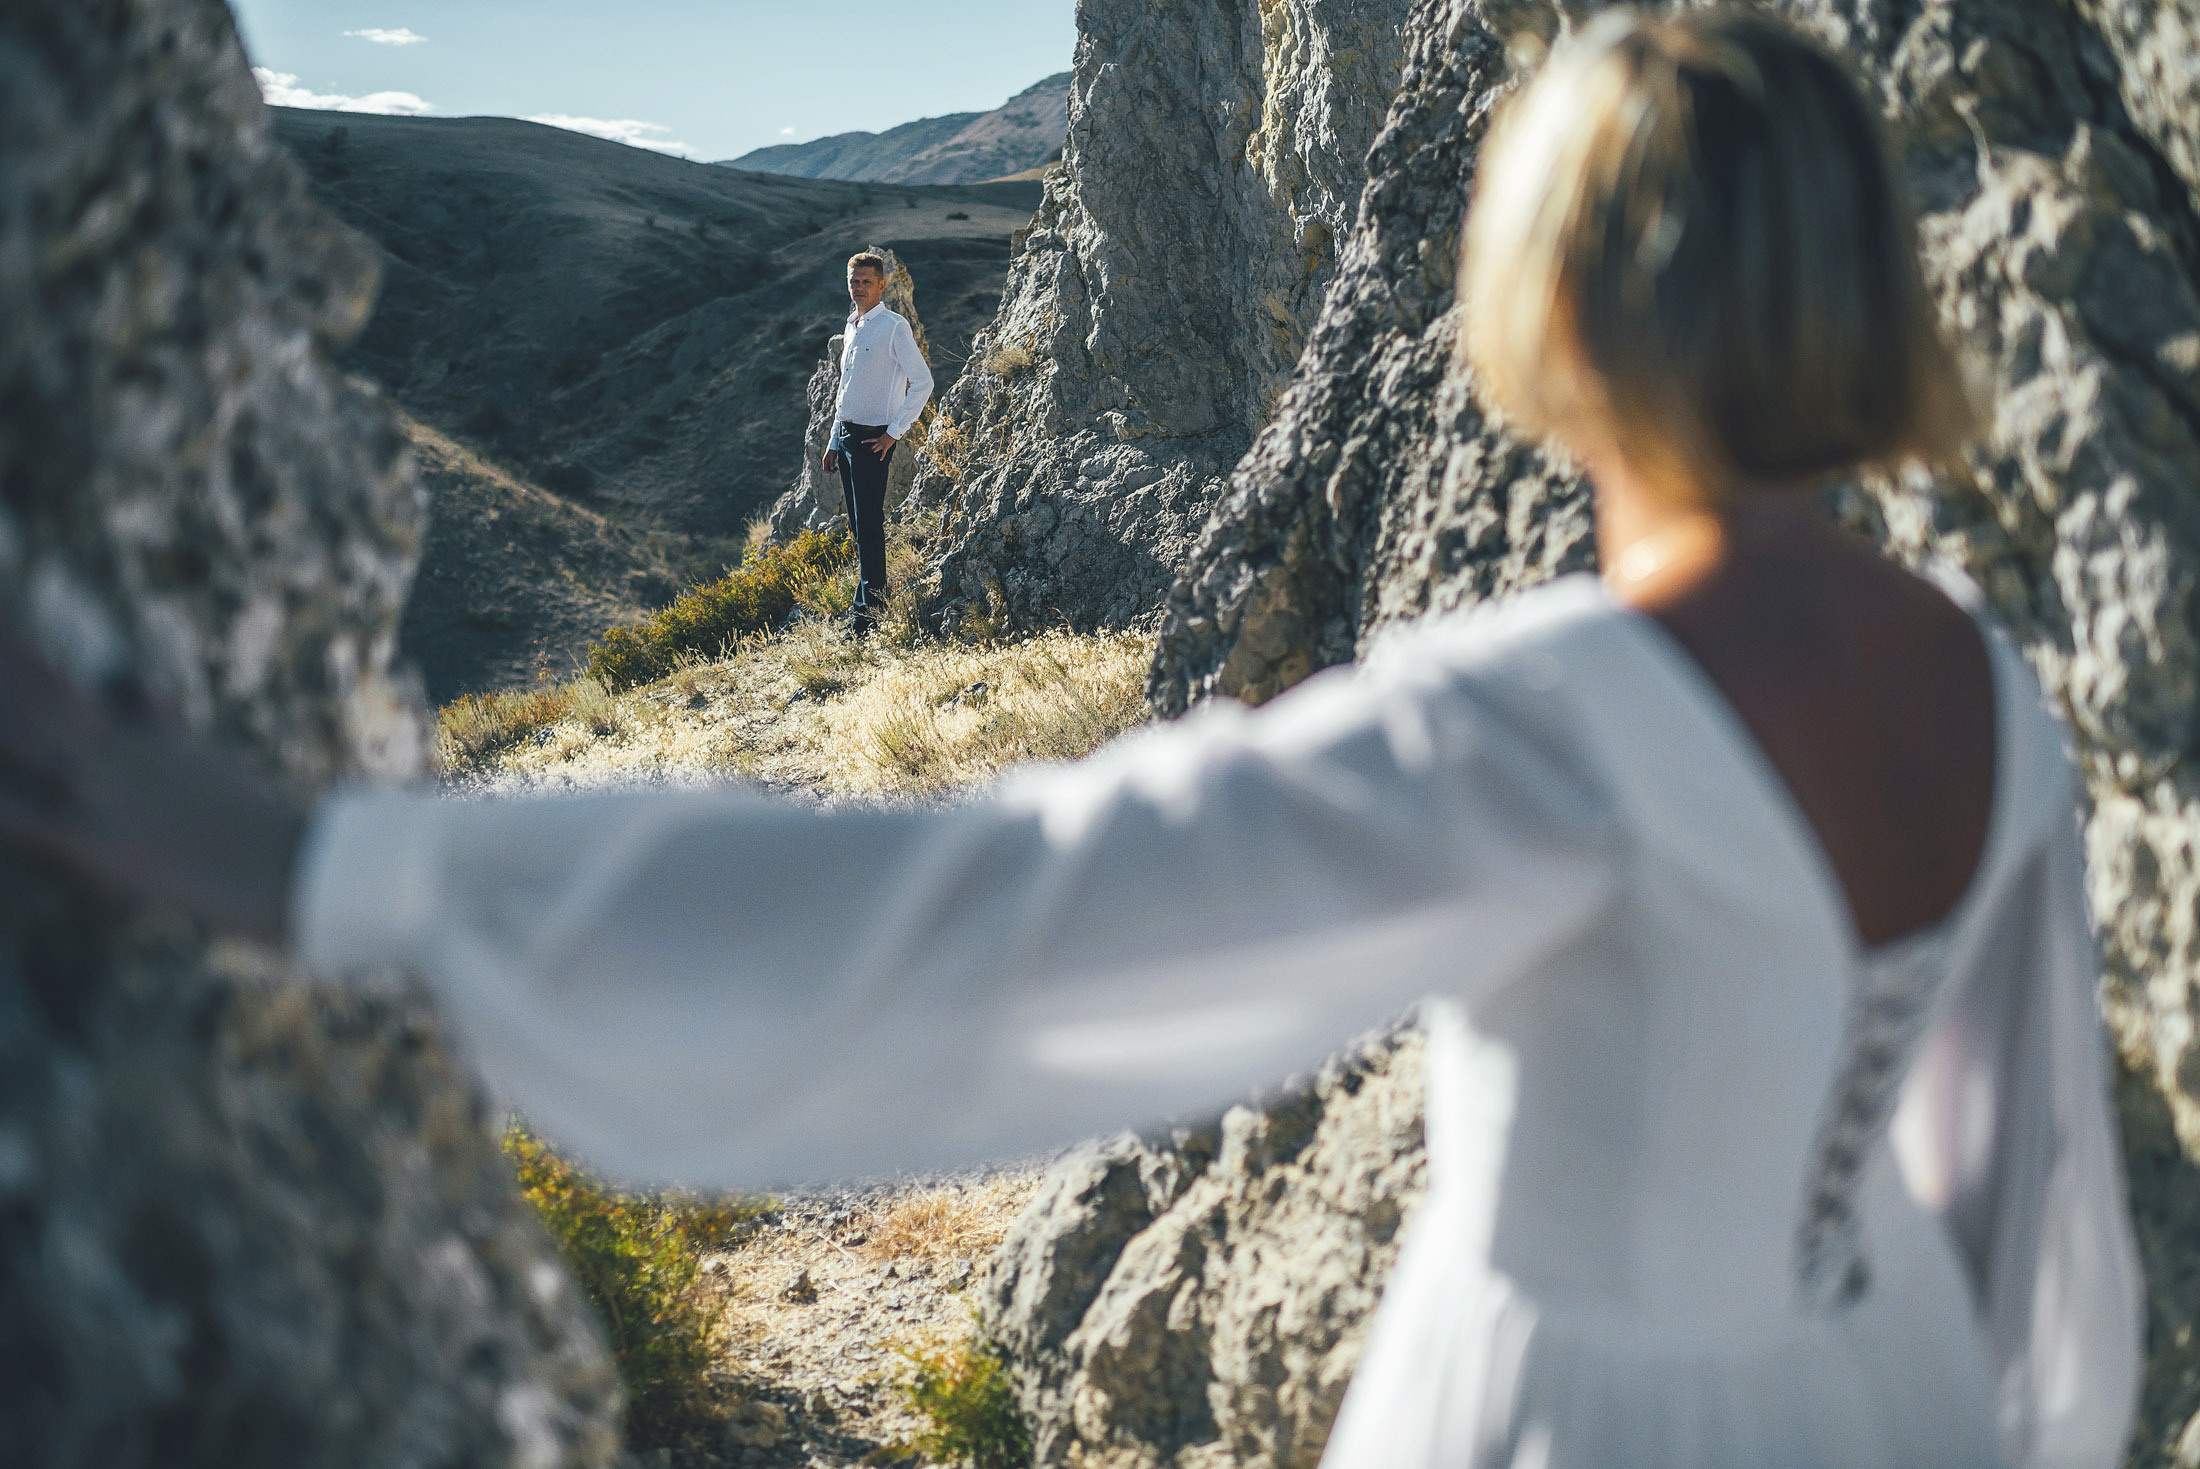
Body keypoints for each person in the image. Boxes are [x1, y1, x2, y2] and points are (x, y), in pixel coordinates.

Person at [0, 10, 2143, 1467]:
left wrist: (335, 863)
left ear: (1559, 296)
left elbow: (1000, 913)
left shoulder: (1562, 718)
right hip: (1903, 1393)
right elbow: (2031, 1207)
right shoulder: (1985, 686)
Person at [820, 251, 933, 636]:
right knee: (858, 527)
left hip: (873, 440)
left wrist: (894, 433)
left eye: (866, 281)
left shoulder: (893, 326)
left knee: (869, 528)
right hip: (846, 436)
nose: (859, 287)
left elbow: (923, 382)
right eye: (854, 281)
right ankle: (865, 605)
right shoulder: (852, 326)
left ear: (882, 285)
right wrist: (833, 441)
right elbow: (845, 389)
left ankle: (869, 618)